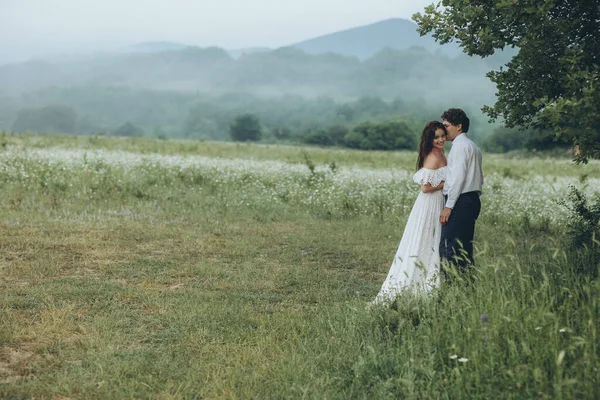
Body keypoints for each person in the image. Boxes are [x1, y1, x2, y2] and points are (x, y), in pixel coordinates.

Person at [372, 121, 448, 303]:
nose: (440, 140)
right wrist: (448, 183)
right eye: (436, 137)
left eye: (442, 136)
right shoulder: (432, 157)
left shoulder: (442, 153)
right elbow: (425, 188)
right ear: (430, 139)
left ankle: (432, 281)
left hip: (439, 200)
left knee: (435, 238)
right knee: (425, 238)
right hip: (430, 202)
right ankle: (417, 284)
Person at [439, 108, 483, 279]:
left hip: (460, 201)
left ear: (459, 126)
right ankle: (467, 286)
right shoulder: (473, 147)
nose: (443, 130)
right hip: (471, 200)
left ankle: (453, 286)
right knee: (464, 247)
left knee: (450, 247)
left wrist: (449, 206)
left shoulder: (459, 147)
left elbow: (458, 179)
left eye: (446, 126)